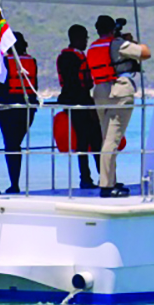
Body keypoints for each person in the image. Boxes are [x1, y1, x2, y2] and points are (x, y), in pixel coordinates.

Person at [86, 14, 152, 198]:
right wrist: (131, 41)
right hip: (119, 91)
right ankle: (107, 186)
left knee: (106, 137)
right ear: (112, 29)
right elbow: (145, 53)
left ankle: (110, 179)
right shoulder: (117, 44)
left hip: (100, 93)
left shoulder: (93, 47)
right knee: (111, 140)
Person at [0, 30, 39, 194]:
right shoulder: (32, 61)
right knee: (15, 145)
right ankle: (14, 183)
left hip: (7, 109)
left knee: (11, 145)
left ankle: (14, 184)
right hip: (27, 109)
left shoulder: (4, 62)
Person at [56, 24, 101, 191]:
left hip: (77, 99)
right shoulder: (71, 58)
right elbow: (76, 83)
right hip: (79, 101)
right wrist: (87, 104)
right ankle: (89, 178)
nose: (86, 41)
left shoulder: (70, 56)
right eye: (85, 38)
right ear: (77, 38)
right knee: (88, 140)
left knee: (91, 140)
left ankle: (96, 177)